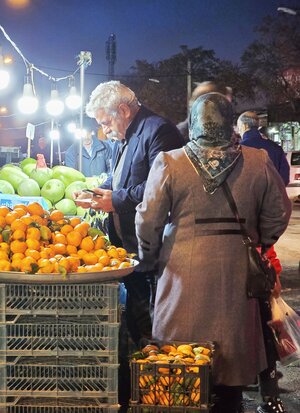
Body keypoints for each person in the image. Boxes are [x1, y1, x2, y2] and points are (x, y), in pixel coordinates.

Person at [135, 93, 291, 413]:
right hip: (238, 273)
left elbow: (147, 220)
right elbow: (278, 213)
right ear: (230, 122)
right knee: (232, 363)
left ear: (193, 123)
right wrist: (257, 242)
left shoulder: (169, 162)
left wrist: (149, 258)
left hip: (181, 272)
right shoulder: (257, 161)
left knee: (180, 364)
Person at [73, 80, 184, 412]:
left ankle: (159, 386)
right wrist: (98, 190)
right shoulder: (125, 136)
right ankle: (141, 379)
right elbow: (121, 176)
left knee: (153, 320)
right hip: (128, 246)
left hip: (152, 248)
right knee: (137, 319)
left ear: (123, 110)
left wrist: (115, 200)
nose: (106, 130)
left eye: (106, 122)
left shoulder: (158, 131)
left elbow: (161, 190)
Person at [237, 110, 290, 413]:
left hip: (242, 251)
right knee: (265, 322)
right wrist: (267, 243)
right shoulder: (274, 151)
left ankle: (245, 384)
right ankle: (270, 396)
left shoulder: (240, 157)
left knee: (249, 322)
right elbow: (280, 200)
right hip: (258, 250)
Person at [238, 111, 290, 186]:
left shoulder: (239, 150)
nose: (239, 132)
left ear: (244, 126)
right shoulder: (276, 148)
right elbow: (284, 178)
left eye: (239, 128)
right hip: (274, 196)